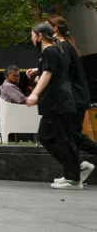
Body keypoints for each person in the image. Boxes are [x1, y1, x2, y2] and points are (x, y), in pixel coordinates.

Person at [25, 22, 84, 189]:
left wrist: (35, 93)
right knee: (46, 136)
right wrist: (36, 75)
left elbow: (49, 74)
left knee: (65, 139)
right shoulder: (49, 52)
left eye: (32, 35)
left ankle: (73, 178)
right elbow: (48, 76)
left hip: (60, 102)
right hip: (54, 103)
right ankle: (72, 171)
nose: (31, 38)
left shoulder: (50, 50)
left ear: (40, 36)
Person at [47, 16, 97, 177]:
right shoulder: (65, 46)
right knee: (72, 136)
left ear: (54, 28)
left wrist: (42, 74)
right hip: (77, 98)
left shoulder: (63, 47)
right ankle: (76, 171)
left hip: (75, 99)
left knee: (71, 136)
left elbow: (62, 70)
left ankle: (75, 172)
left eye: (47, 26)